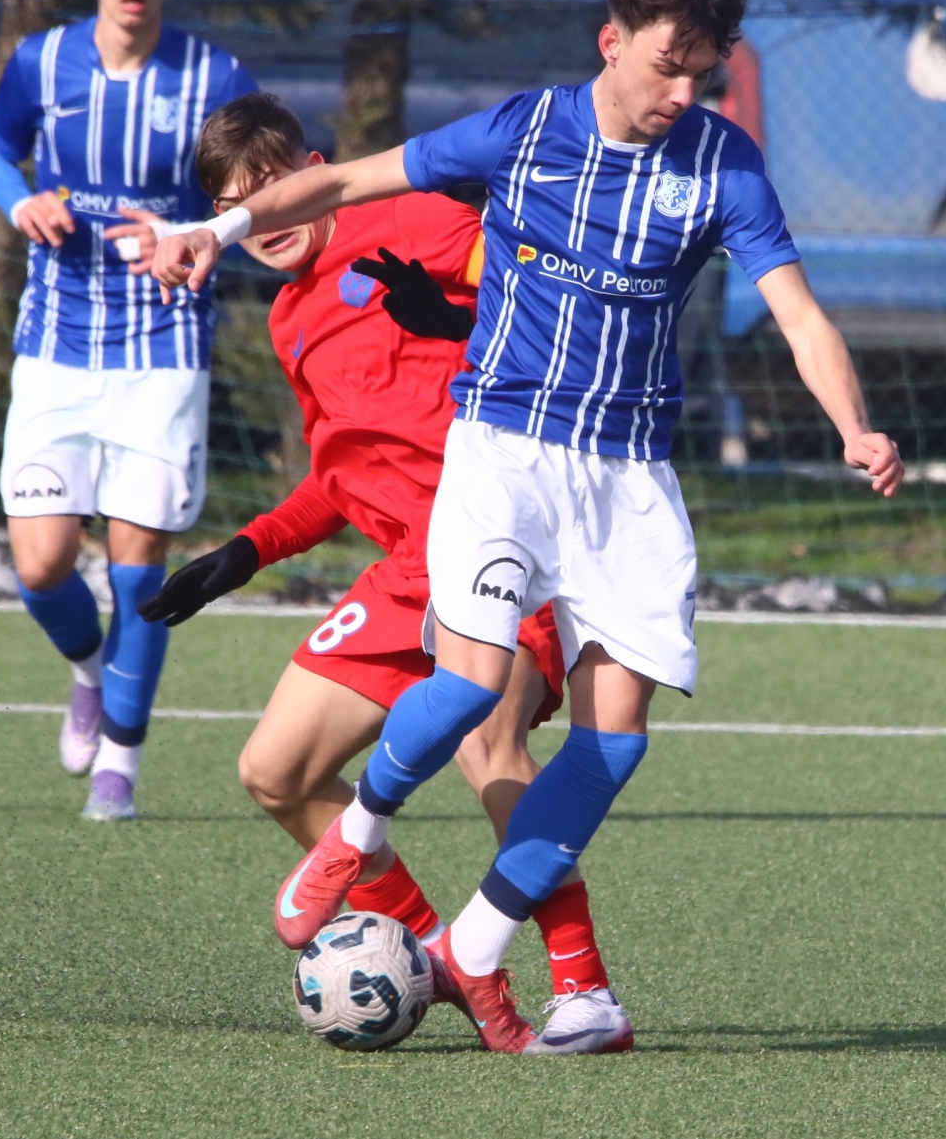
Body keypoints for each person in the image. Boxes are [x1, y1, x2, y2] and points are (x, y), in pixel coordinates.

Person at [152, 0, 904, 1051]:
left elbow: (798, 312)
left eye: (702, 72)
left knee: (614, 747)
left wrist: (854, 425)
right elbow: (352, 194)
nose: (683, 92)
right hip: (502, 457)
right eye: (668, 66)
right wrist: (210, 235)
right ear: (612, 41)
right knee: (452, 704)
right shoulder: (524, 134)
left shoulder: (722, 164)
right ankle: (361, 838)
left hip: (627, 474)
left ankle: (489, 954)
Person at [136, 92, 632, 1054]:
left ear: (314, 172)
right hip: (409, 568)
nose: (263, 218)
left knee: (489, 745)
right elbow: (341, 478)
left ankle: (586, 990)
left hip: (504, 534)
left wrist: (452, 315)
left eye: (272, 188)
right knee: (274, 772)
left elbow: (551, 297)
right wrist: (245, 551)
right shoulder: (289, 320)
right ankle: (438, 952)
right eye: (236, 206)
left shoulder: (408, 218)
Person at [0, 0, 256, 820]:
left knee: (138, 571)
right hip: (57, 342)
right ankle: (91, 672)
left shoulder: (213, 76)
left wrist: (191, 232)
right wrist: (20, 200)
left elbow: (258, 196)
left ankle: (119, 769)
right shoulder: (43, 61)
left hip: (164, 346)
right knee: (42, 564)